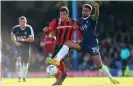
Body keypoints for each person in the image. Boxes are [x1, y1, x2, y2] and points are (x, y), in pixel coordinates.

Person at [47, 3, 119, 84]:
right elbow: (71, 25)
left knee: (99, 65)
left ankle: (111, 78)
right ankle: (56, 60)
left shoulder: (91, 19)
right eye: (83, 10)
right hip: (82, 43)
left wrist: (97, 9)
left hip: (92, 44)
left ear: (89, 12)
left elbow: (96, 15)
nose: (84, 12)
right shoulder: (79, 21)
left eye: (86, 11)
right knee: (67, 43)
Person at [43, 6, 81, 85]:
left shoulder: (73, 21)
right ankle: (60, 79)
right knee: (54, 64)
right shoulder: (55, 21)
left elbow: (79, 30)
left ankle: (62, 74)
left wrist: (79, 39)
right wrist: (46, 31)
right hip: (58, 45)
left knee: (57, 60)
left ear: (67, 14)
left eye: (64, 14)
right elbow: (49, 31)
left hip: (68, 45)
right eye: (61, 14)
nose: (62, 16)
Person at [11, 16, 34, 82]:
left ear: (26, 22)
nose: (22, 23)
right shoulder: (15, 28)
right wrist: (16, 42)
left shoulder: (29, 28)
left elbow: (32, 39)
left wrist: (22, 39)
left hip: (26, 46)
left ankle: (24, 76)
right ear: (19, 22)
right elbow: (12, 35)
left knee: (25, 63)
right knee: (18, 58)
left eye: (24, 22)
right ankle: (19, 76)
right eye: (21, 22)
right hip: (18, 46)